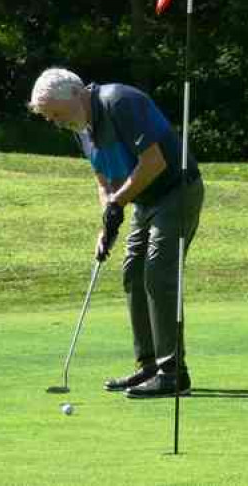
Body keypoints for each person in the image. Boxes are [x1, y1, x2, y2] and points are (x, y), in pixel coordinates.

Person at [28, 67, 204, 399]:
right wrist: (106, 224)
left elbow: (154, 162)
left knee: (158, 272)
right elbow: (103, 180)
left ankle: (173, 373)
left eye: (55, 113)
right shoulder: (81, 127)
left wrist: (119, 202)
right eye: (49, 116)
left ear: (77, 95)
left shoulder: (119, 101)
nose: (54, 122)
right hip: (143, 200)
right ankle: (149, 366)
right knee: (132, 272)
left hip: (176, 190)